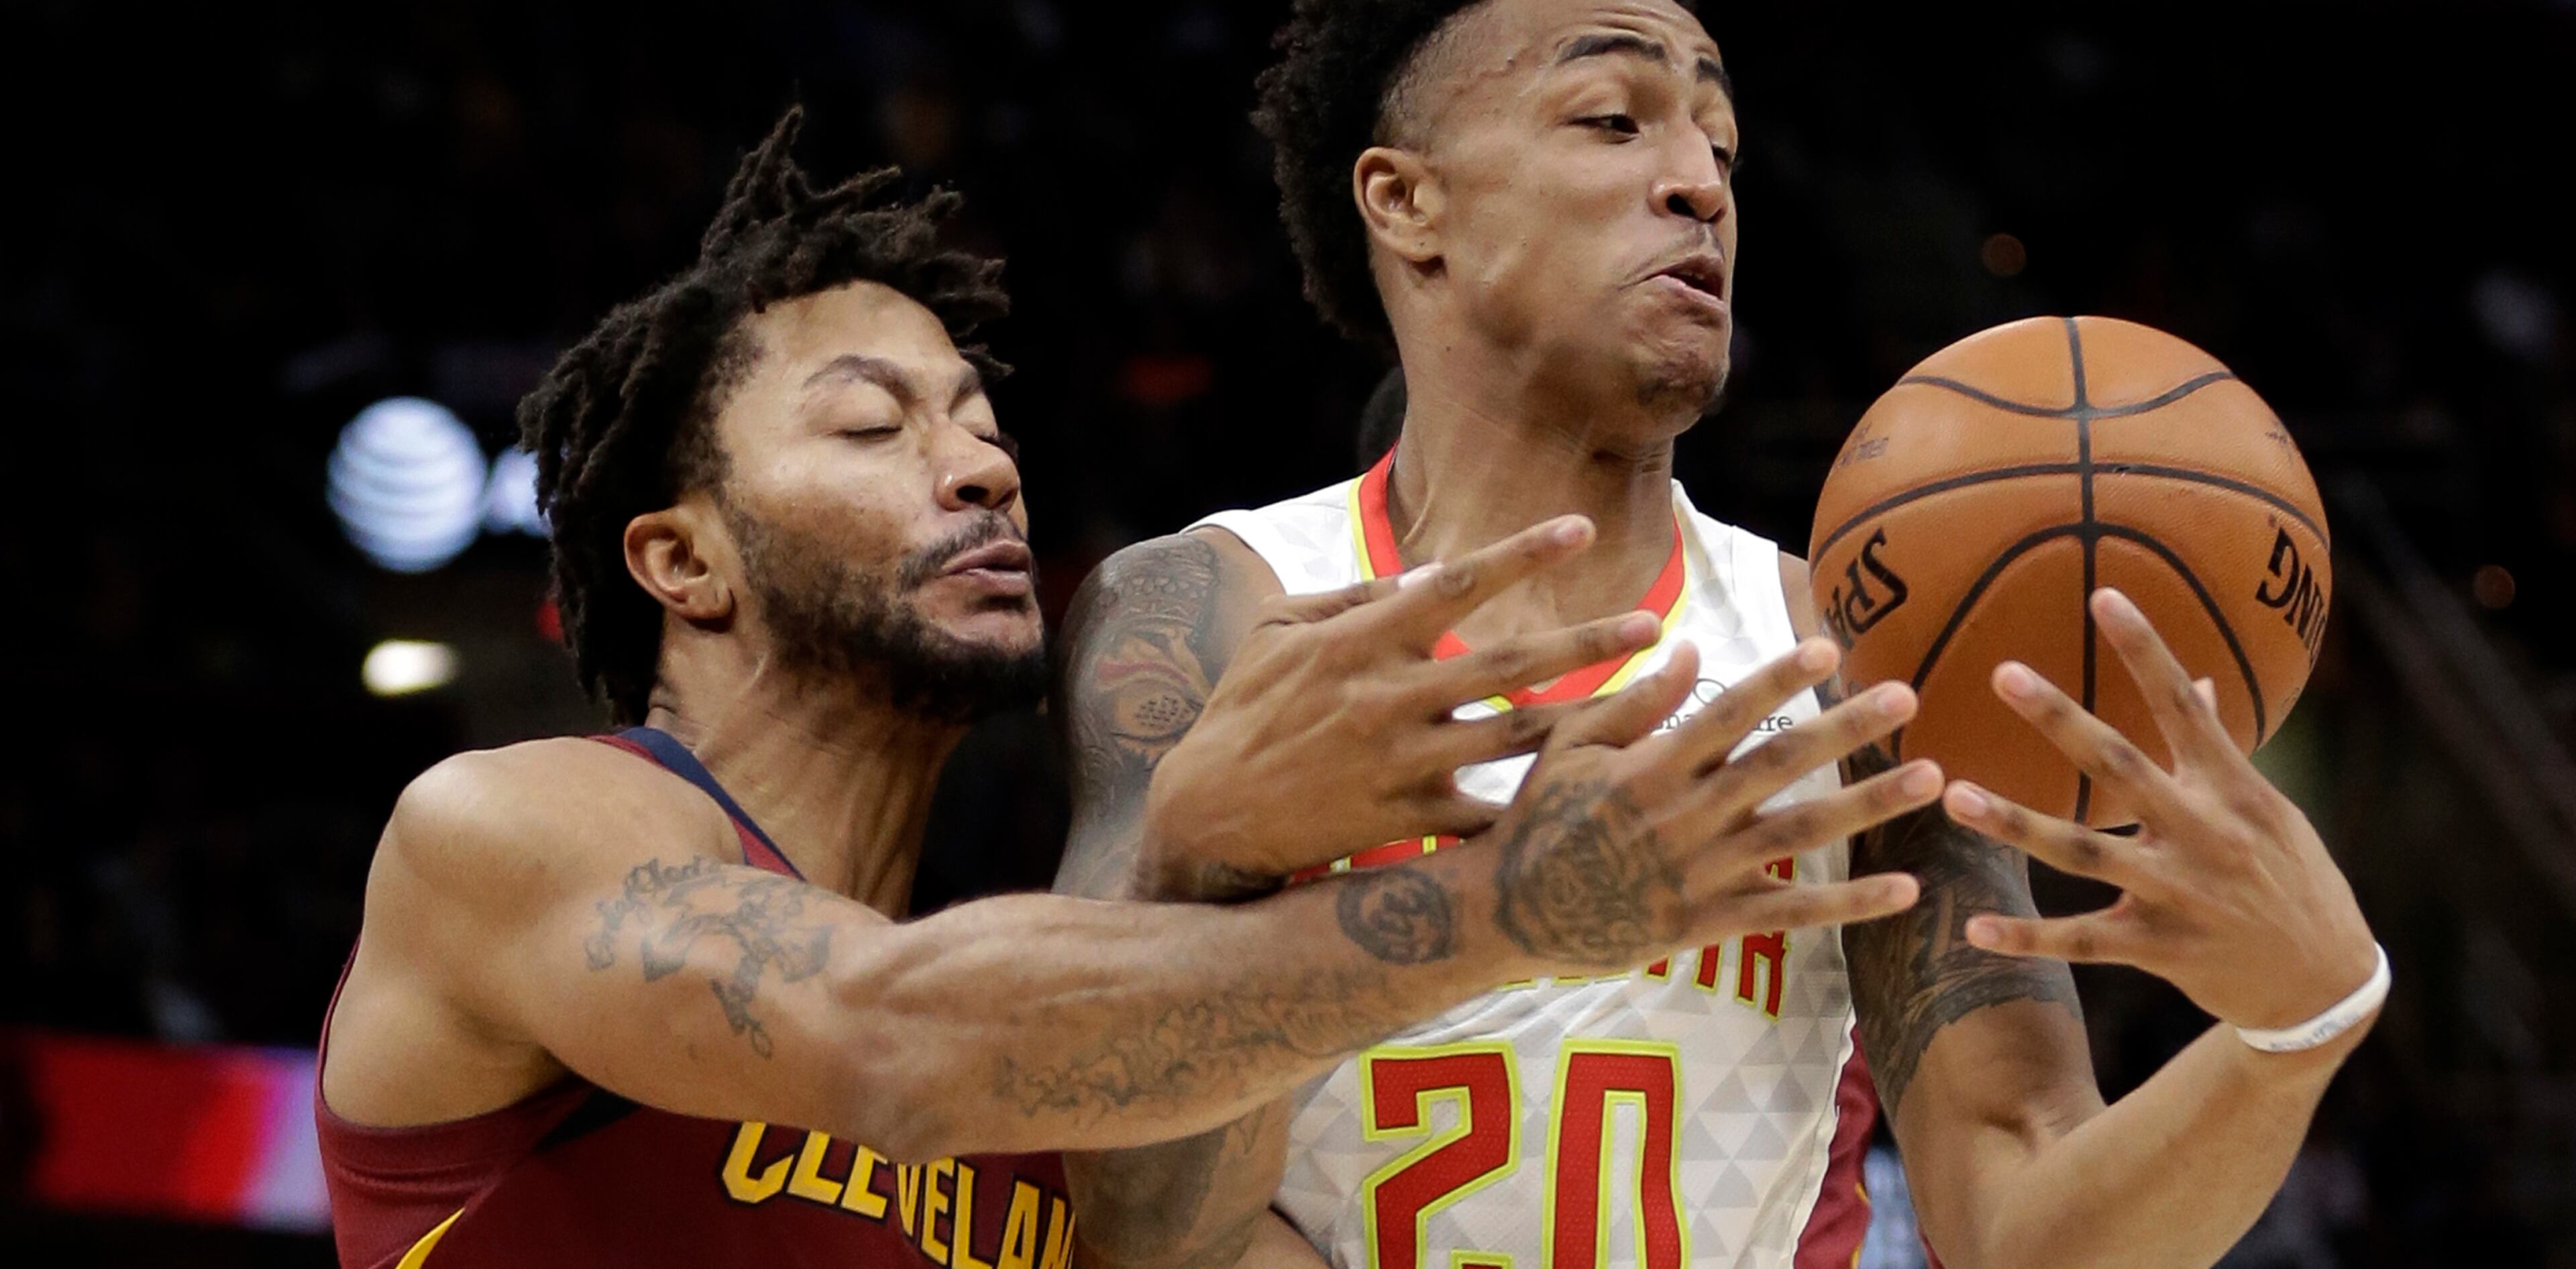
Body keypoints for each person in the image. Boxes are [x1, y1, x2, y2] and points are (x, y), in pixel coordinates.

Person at [313, 109, 1939, 1269]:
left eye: (977, 421)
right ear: (683, 562)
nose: (977, 470)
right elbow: (892, 1045)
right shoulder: (513, 832)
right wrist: (1513, 910)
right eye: (876, 429)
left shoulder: (1081, 1053)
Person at [1055, 0, 2384, 1269]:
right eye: (1612, 119)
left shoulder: (1856, 662)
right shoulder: (1217, 610)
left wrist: (2292, 1031)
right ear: (1406, 202)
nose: (1699, 182)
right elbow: (1143, 1229)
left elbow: (2018, 1221)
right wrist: (1196, 875)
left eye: (1722, 146)